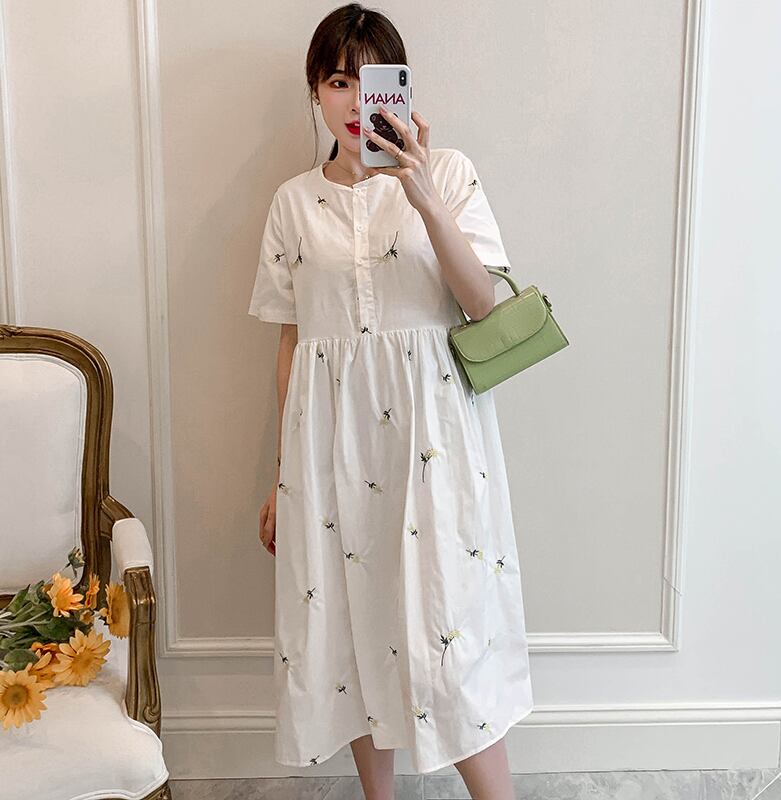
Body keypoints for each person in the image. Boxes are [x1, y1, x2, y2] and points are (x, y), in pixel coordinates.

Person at [248, 4, 534, 798]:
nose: (353, 103)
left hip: (433, 439)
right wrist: (282, 475)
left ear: (400, 90)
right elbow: (293, 345)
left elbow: (482, 304)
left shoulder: (448, 173)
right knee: (351, 631)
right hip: (329, 447)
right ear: (315, 89)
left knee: (451, 634)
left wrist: (422, 193)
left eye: (371, 82)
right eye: (338, 82)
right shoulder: (291, 203)